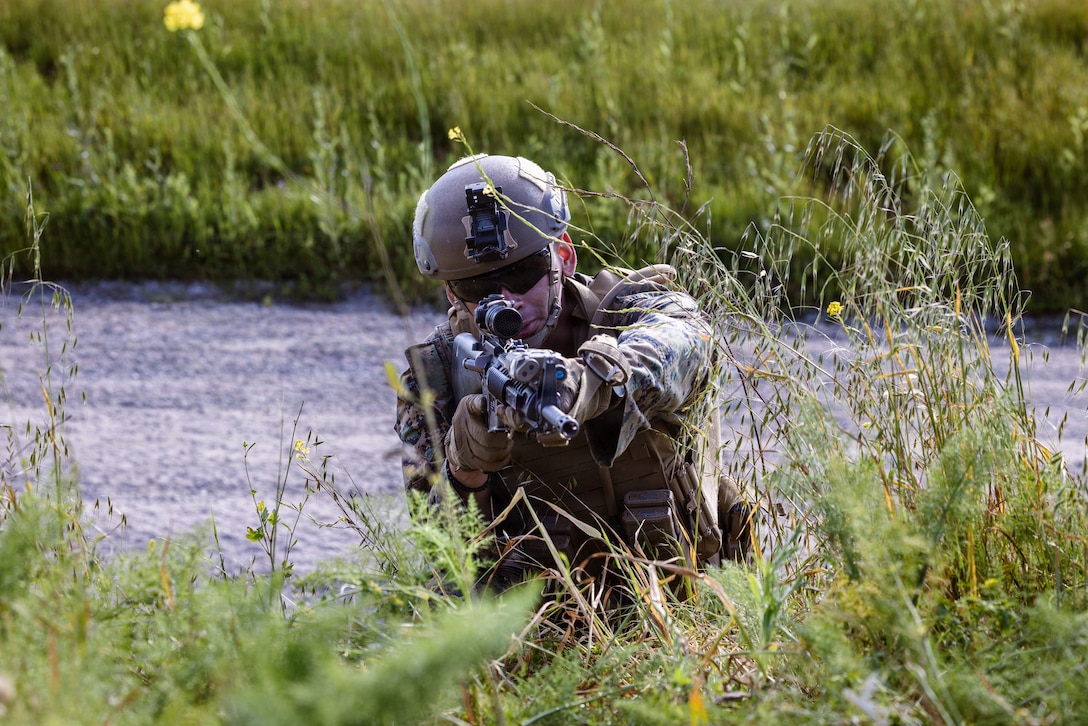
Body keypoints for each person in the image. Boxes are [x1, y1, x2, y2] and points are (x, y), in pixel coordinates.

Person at [394, 153, 750, 591]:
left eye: (523, 274)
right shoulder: (436, 377)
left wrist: (592, 380)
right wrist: (464, 471)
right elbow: (441, 564)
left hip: (686, 602)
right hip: (539, 626)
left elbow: (687, 343)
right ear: (452, 291)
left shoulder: (632, 307)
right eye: (478, 288)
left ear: (563, 257)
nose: (508, 301)